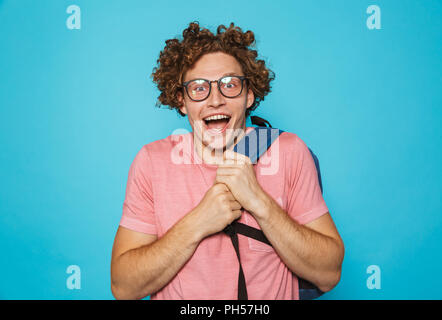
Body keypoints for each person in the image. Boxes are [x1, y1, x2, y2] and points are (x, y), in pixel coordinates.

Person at [110, 22, 345, 300]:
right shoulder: (152, 161)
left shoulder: (289, 151)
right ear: (181, 100)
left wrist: (258, 201)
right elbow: (124, 288)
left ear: (249, 95)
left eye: (230, 85)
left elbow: (329, 274)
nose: (215, 100)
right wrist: (199, 222)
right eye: (198, 88)